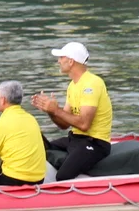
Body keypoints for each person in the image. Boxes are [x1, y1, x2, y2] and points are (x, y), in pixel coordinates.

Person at [31, 41, 114, 181]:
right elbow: (64, 124)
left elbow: (84, 124)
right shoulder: (72, 85)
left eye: (61, 58)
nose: (58, 61)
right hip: (76, 139)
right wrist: (50, 111)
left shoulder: (91, 84)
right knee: (41, 146)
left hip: (95, 143)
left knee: (63, 176)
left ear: (71, 61)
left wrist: (56, 110)